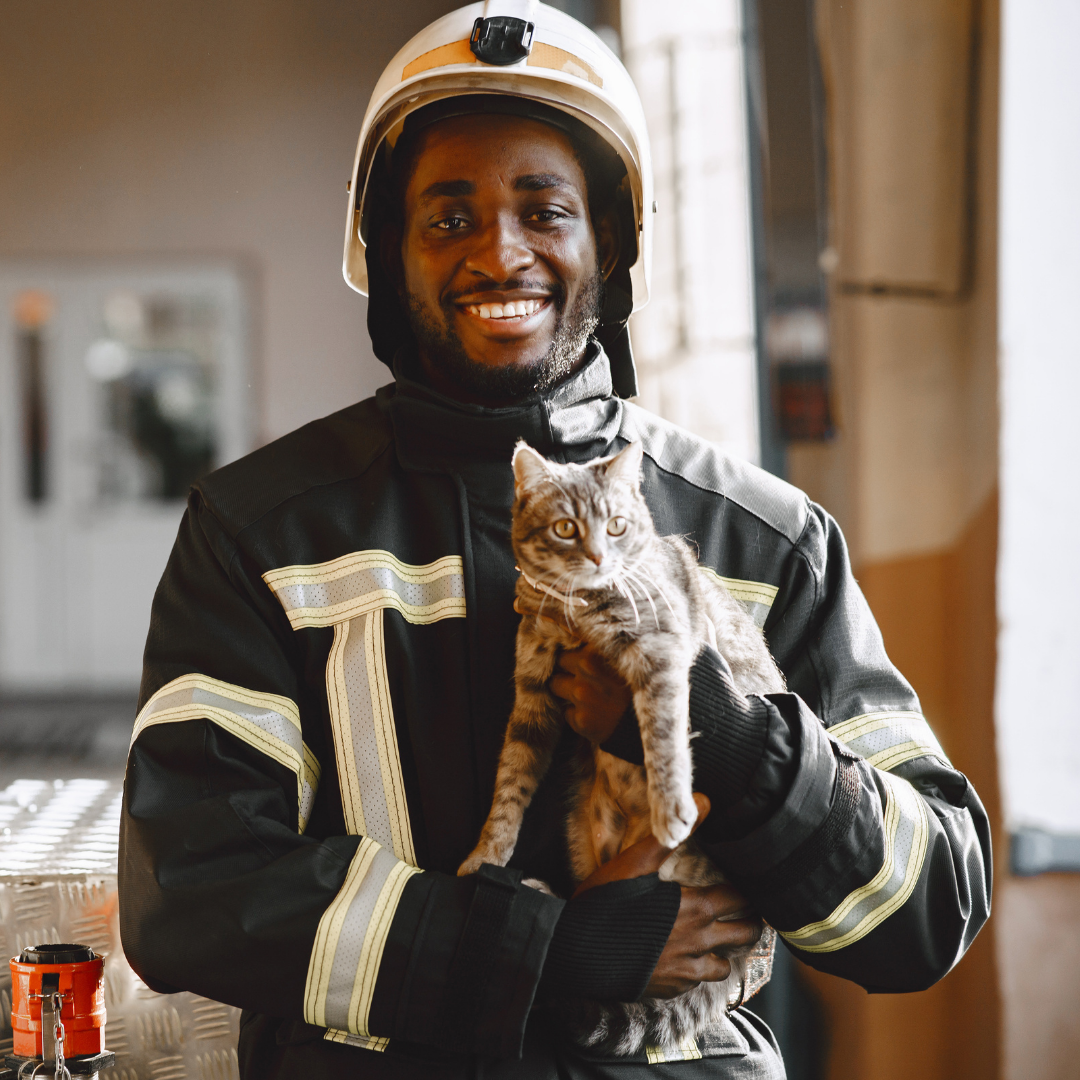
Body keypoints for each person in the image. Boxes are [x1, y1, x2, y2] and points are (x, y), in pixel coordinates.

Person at [117, 4, 992, 1078]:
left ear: (612, 242)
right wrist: (543, 951)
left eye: (546, 211)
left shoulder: (764, 537)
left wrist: (728, 733)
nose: (500, 251)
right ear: (388, 253)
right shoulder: (264, 531)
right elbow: (190, 893)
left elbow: (927, 910)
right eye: (448, 218)